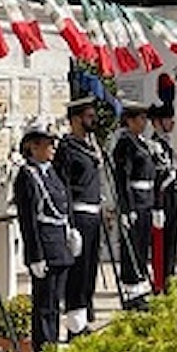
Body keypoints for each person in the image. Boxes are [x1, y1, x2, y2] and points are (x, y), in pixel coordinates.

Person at [14, 119, 76, 352]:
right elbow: (28, 220)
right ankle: (44, 351)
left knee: (55, 304)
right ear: (32, 146)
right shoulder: (27, 176)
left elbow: (63, 202)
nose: (52, 148)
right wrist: (35, 255)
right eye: (47, 144)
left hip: (60, 246)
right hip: (45, 249)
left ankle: (53, 344)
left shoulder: (52, 173)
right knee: (44, 305)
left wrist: (70, 230)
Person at [54, 97, 102, 338]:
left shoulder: (90, 146)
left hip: (93, 214)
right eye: (89, 117)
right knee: (78, 272)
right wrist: (69, 224)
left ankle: (83, 319)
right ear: (75, 119)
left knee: (90, 270)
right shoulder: (67, 148)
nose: (93, 120)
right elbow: (63, 188)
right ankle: (74, 326)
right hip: (79, 215)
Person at [111, 99, 155, 310]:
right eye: (141, 118)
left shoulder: (141, 142)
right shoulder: (125, 144)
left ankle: (141, 287)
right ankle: (131, 291)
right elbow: (122, 179)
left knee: (141, 246)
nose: (144, 122)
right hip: (134, 201)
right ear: (129, 120)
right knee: (132, 248)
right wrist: (126, 208)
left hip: (145, 201)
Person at [147, 102, 177, 293]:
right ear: (157, 122)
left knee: (172, 241)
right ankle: (161, 282)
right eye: (168, 119)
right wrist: (158, 206)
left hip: (173, 201)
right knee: (161, 245)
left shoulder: (167, 145)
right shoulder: (153, 146)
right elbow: (156, 178)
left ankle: (169, 278)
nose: (172, 122)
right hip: (162, 201)